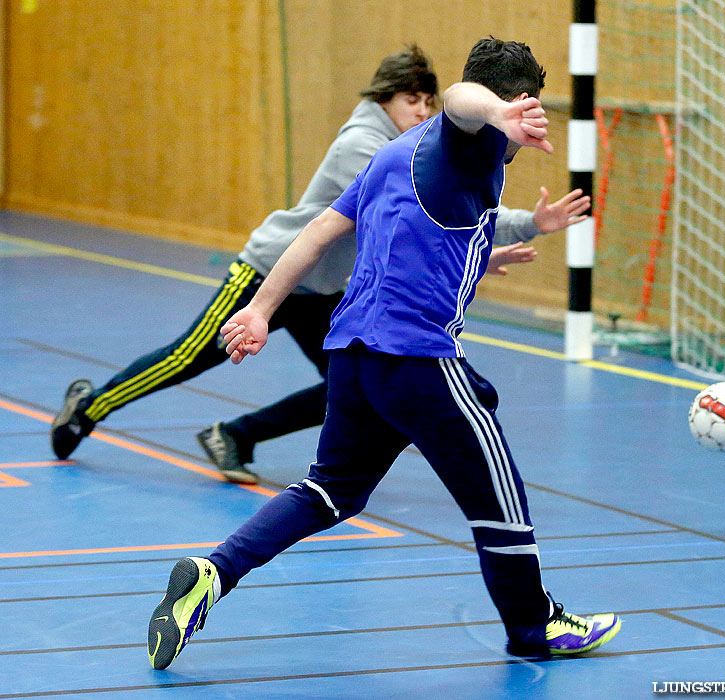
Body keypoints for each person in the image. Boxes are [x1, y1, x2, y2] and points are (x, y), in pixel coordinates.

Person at [146, 37, 620, 671]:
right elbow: (459, 100)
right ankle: (535, 627)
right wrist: (497, 115)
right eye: (524, 108)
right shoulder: (470, 139)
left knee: (330, 490)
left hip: (354, 356)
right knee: (499, 498)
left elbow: (321, 229)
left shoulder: (396, 152)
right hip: (417, 360)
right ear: (517, 102)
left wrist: (260, 309)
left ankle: (213, 571)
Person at [50, 44, 591, 484]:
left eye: (429, 103)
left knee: (342, 384)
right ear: (385, 99)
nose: (423, 113)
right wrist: (520, 225)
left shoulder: (412, 147)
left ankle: (236, 435)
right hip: (272, 271)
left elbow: (429, 225)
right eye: (413, 101)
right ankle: (88, 408)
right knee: (187, 358)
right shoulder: (368, 146)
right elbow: (414, 212)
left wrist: (486, 253)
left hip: (326, 289)